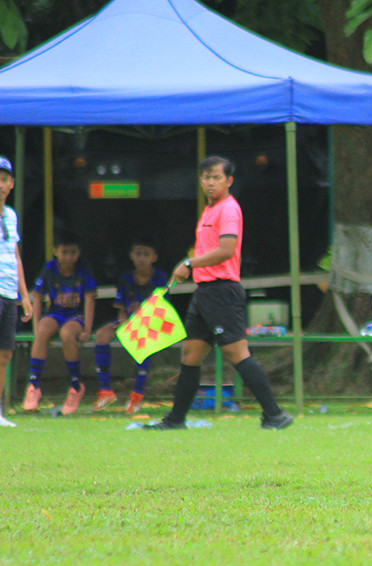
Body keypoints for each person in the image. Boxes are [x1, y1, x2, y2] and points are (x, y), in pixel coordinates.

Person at [145, 156, 292, 430]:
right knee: (190, 355)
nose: (210, 183)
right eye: (206, 177)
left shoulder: (228, 210)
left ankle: (275, 414)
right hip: (205, 292)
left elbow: (226, 250)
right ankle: (175, 420)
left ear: (229, 181)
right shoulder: (209, 210)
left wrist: (189, 263)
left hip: (222, 291)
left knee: (238, 354)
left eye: (216, 177)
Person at [23, 229, 96, 415]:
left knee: (66, 334)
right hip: (55, 313)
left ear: (79, 253)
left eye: (73, 252)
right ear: (55, 251)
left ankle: (75, 385)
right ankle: (34, 385)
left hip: (76, 315)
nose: (69, 257)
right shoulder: (50, 269)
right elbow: (37, 297)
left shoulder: (84, 269)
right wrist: (36, 326)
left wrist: (87, 329)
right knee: (43, 330)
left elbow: (89, 298)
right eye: (64, 252)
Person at [92, 237, 168, 414]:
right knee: (102, 334)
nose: (142, 258)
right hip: (129, 321)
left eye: (146, 254)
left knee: (144, 342)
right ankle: (106, 391)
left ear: (154, 257)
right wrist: (124, 322)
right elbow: (121, 307)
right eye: (138, 254)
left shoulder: (160, 278)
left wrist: (143, 323)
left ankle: (137, 395)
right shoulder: (126, 277)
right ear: (131, 256)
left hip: (151, 323)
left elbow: (162, 308)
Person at [0, 156, 33, 426]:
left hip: (10, 292)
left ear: (11, 183)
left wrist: (24, 294)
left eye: (4, 179)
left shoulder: (11, 215)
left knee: (5, 354)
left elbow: (16, 256)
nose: (0, 184)